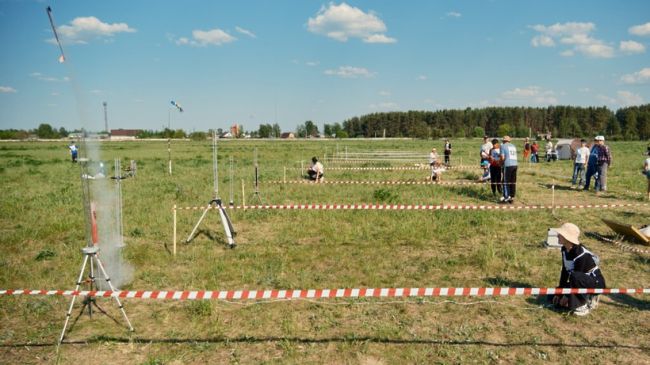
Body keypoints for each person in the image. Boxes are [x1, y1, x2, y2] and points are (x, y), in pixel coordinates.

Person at [550, 223, 606, 316]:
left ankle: (586, 302)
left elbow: (577, 278)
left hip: (595, 283)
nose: (557, 236)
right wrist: (560, 292)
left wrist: (567, 295)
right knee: (551, 297)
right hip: (577, 281)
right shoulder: (564, 249)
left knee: (575, 277)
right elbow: (565, 271)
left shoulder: (581, 255)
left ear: (567, 238)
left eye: (560, 235)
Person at [499, 135, 517, 203]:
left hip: (508, 165)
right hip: (515, 165)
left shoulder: (503, 146)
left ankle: (506, 197)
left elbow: (502, 158)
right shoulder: (513, 146)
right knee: (513, 181)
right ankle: (512, 197)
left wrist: (500, 163)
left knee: (505, 181)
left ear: (504, 141)